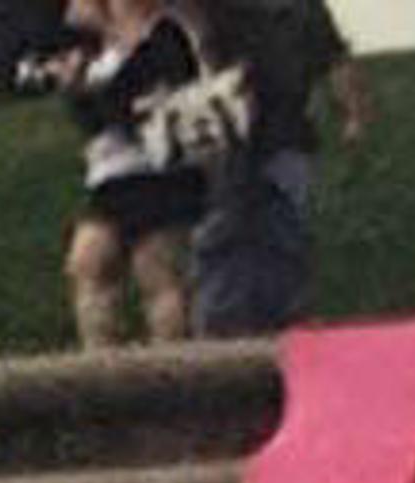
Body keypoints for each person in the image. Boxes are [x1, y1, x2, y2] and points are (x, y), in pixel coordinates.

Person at [193, 0, 365, 336]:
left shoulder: (301, 9)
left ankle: (275, 324)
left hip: (278, 137)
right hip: (233, 139)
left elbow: (334, 60)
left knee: (275, 233)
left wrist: (353, 114)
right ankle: (234, 327)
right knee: (231, 234)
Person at [60, 0, 212, 350]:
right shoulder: (94, 52)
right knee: (87, 263)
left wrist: (94, 95)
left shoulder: (164, 37)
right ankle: (102, 362)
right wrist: (75, 86)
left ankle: (171, 364)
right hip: (109, 175)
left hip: (158, 173)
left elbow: (130, 104)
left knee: (158, 273)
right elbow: (92, 119)